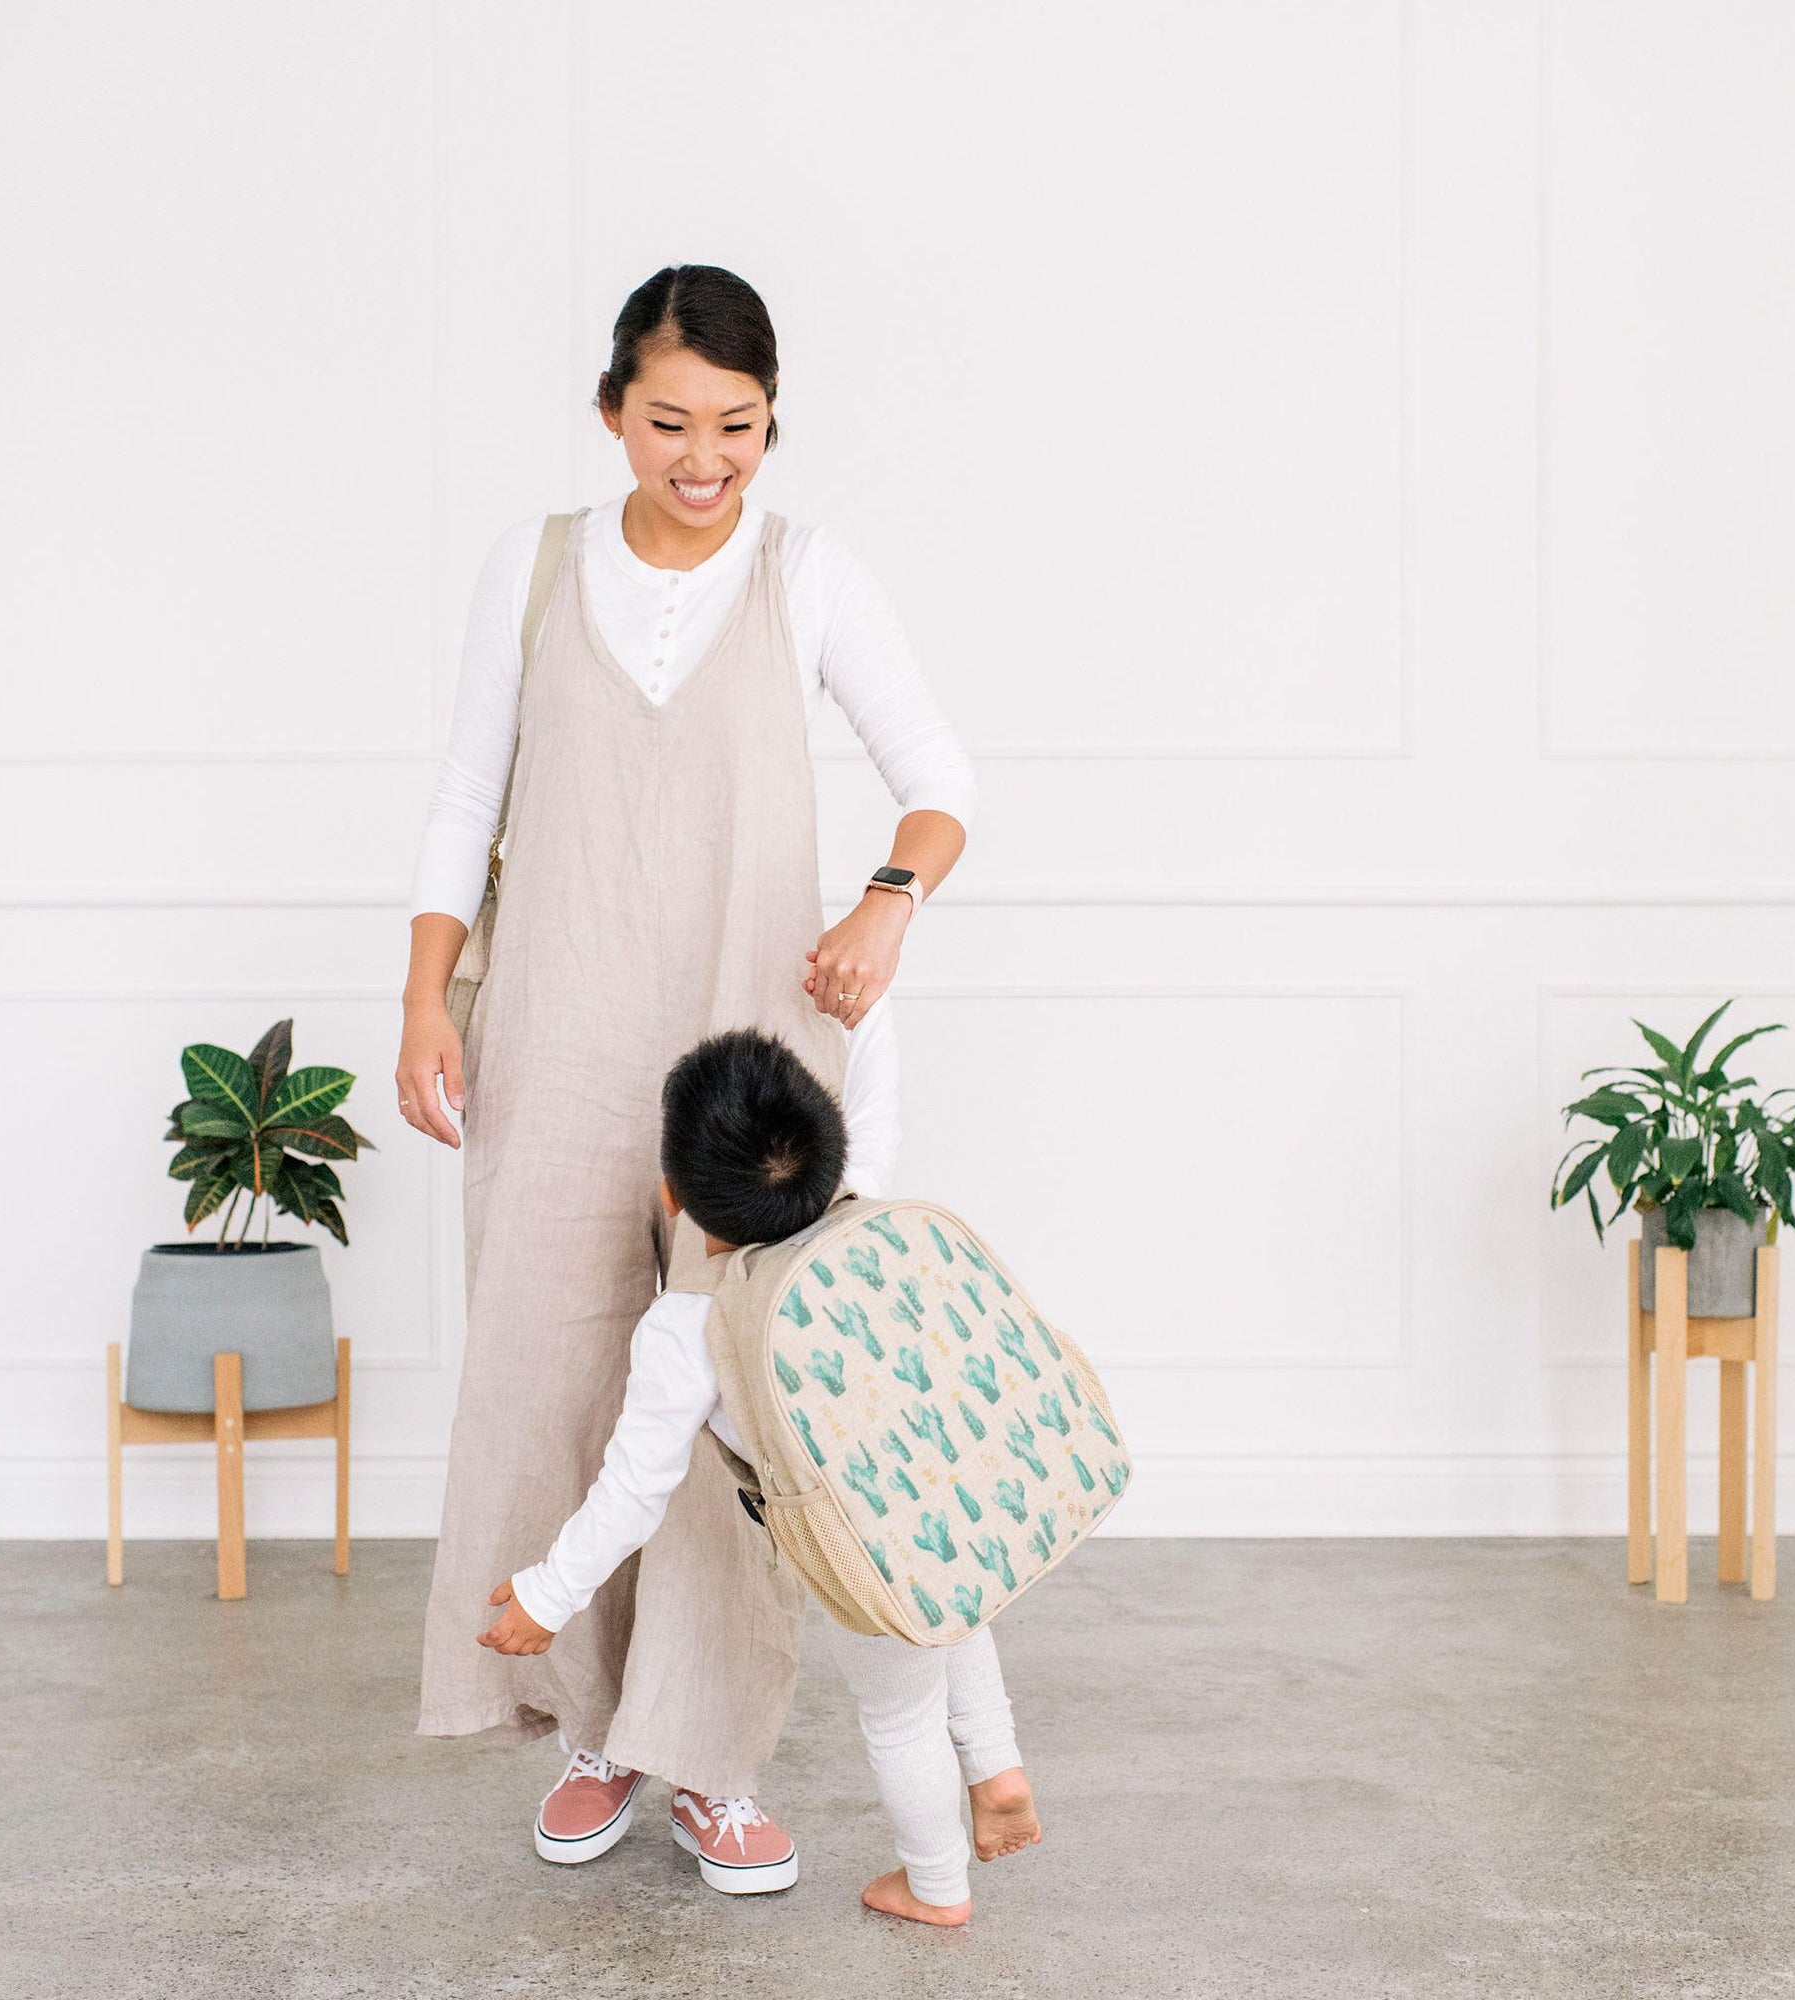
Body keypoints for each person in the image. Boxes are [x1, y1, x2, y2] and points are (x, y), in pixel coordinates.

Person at [399, 265, 977, 1875]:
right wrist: (425, 1000)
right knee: (556, 1372)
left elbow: (941, 783)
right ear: (612, 416)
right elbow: (465, 798)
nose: (702, 455)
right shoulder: (536, 566)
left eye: (736, 425)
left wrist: (888, 899)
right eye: (669, 422)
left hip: (751, 1056)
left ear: (771, 424)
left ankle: (707, 1751)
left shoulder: (815, 578)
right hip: (559, 1036)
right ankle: (590, 1735)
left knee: (733, 1407)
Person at [479, 1029, 1043, 1926]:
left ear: (674, 1198)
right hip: (945, 1493)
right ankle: (997, 1764)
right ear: (832, 1151)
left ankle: (935, 1887)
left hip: (853, 1552)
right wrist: (873, 1003)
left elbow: (633, 1490)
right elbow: (879, 1099)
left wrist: (549, 1595)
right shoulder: (863, 1203)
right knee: (957, 1617)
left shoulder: (686, 1329)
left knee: (899, 1716)